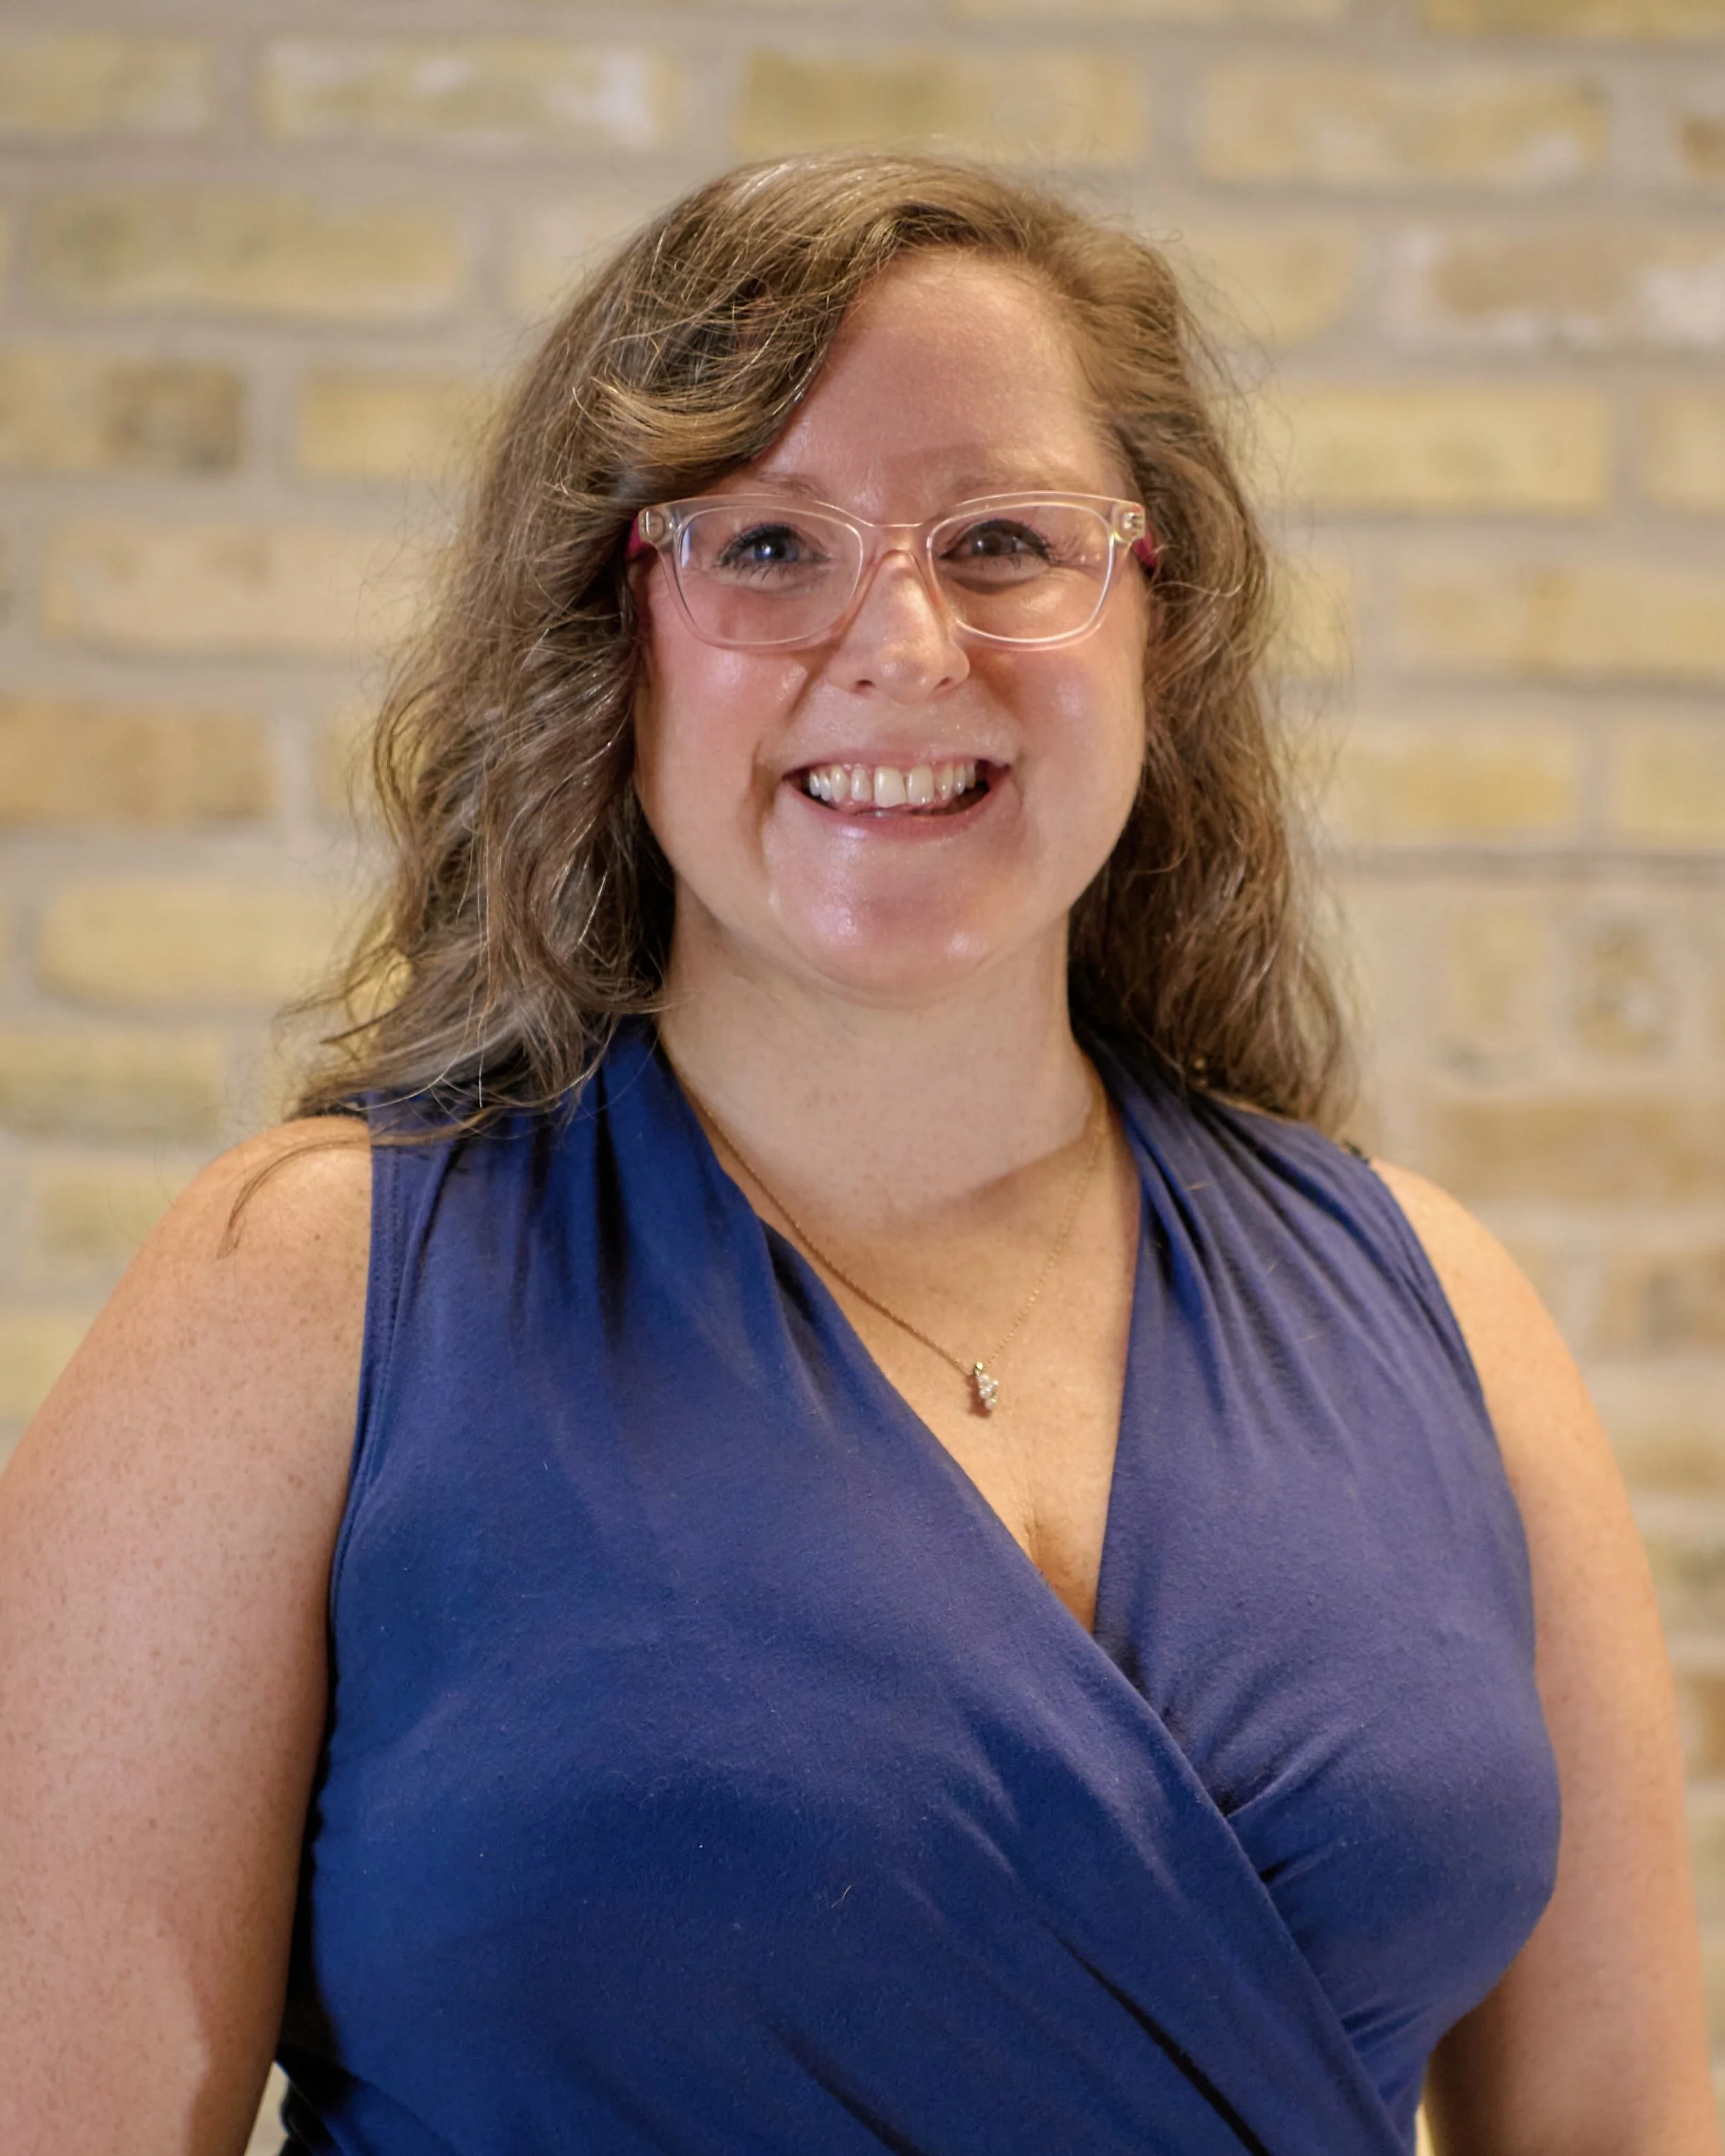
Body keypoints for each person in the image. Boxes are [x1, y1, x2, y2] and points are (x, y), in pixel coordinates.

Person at [0, 153, 1713, 2156]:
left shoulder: (1442, 1305)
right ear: (612, 627)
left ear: (1155, 615)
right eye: (767, 547)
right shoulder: (303, 1295)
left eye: (1000, 540)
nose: (902, 643)